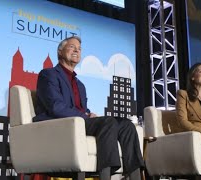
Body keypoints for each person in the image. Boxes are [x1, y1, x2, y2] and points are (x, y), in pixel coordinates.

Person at [33, 36, 144, 180]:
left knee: (126, 125)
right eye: (72, 47)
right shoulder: (48, 75)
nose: (76, 51)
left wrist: (88, 114)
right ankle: (105, 177)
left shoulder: (80, 85)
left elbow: (80, 108)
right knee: (108, 122)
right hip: (60, 124)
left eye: (79, 49)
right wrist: (85, 116)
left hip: (79, 123)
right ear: (60, 52)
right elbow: (56, 107)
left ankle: (135, 176)